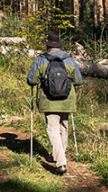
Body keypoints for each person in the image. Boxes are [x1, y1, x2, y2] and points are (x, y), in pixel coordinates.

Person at [26, 32, 82, 175]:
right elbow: (78, 81)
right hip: (66, 101)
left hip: (48, 100)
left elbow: (31, 80)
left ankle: (60, 162)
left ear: (47, 44)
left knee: (52, 129)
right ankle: (59, 154)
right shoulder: (69, 60)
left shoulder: (41, 60)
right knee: (63, 126)